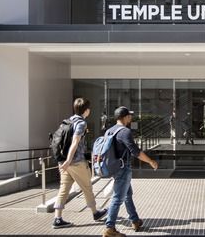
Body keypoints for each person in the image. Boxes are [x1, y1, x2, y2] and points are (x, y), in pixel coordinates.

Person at [103, 106, 158, 237]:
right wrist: (151, 161)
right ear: (125, 117)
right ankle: (109, 228)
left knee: (127, 194)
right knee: (117, 198)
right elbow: (136, 152)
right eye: (129, 115)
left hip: (115, 167)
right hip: (123, 168)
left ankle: (135, 220)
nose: (131, 117)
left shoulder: (109, 131)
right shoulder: (125, 132)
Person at [53, 97, 107, 229]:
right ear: (86, 110)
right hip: (75, 162)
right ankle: (95, 213)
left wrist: (64, 161)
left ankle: (57, 218)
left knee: (64, 189)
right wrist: (69, 161)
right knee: (87, 186)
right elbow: (75, 143)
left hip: (63, 161)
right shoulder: (81, 123)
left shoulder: (67, 121)